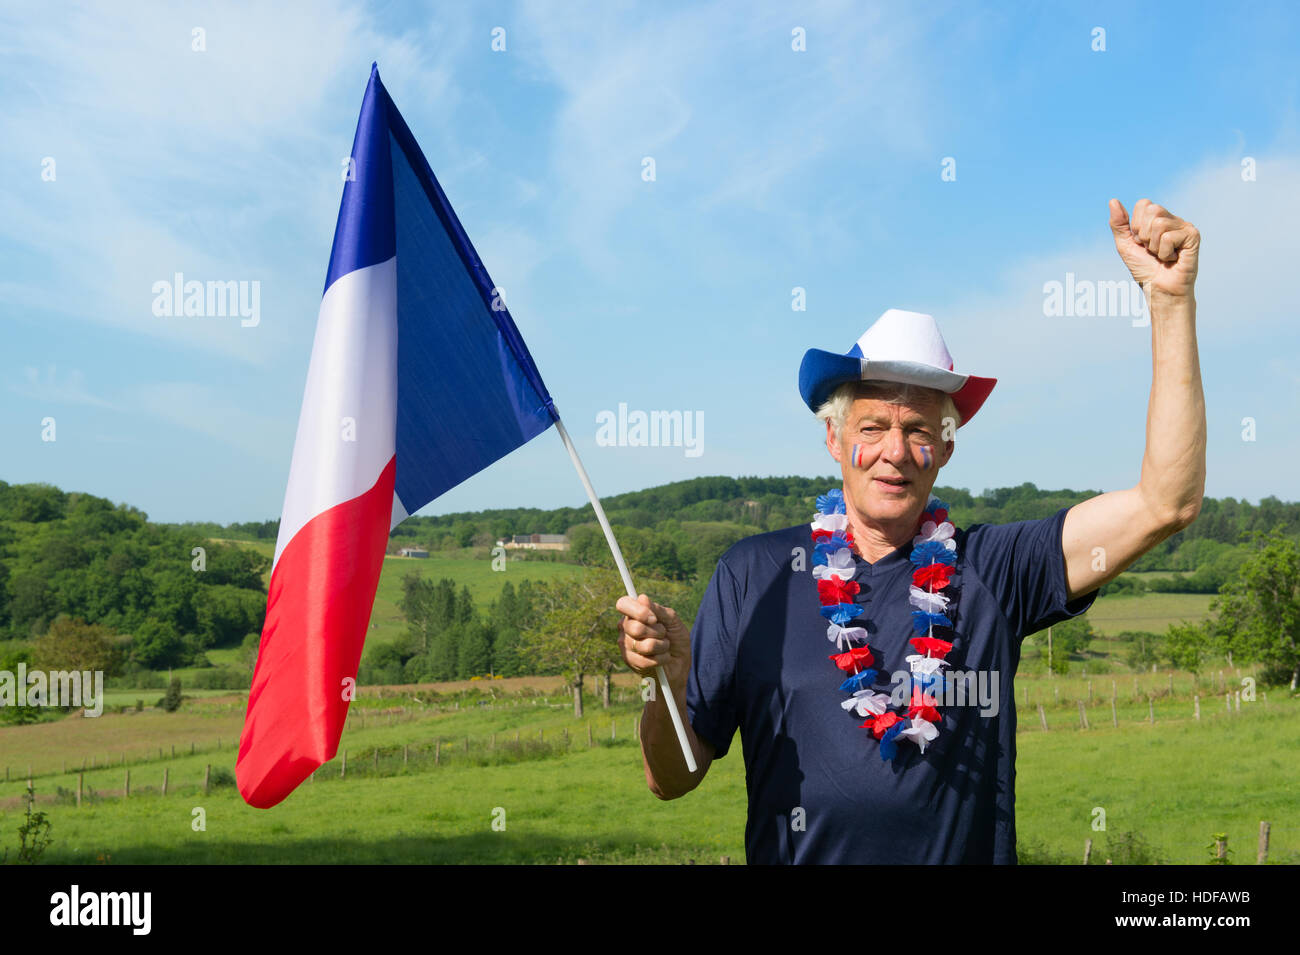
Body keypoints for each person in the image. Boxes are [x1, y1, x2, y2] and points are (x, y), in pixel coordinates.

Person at [617, 198, 1205, 863]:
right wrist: (667, 677)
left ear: (946, 447)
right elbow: (670, 778)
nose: (894, 450)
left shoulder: (994, 569)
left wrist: (1170, 302)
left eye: (920, 429)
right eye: (872, 427)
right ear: (835, 438)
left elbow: (1167, 503)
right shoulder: (754, 577)